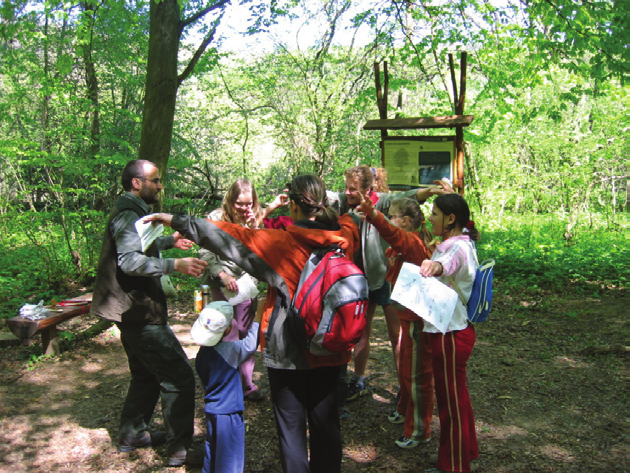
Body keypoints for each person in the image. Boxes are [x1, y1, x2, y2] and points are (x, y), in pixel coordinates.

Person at [145, 174, 361, 473]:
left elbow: (224, 234)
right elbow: (350, 214)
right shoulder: (346, 236)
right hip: (332, 346)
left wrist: (174, 220)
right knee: (326, 424)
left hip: (290, 352)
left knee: (292, 430)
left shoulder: (282, 243)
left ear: (295, 207)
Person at [91, 159, 208, 467]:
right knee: (180, 377)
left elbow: (139, 246)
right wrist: (175, 264)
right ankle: (179, 449)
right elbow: (129, 261)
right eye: (155, 180)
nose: (160, 185)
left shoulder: (133, 211)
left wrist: (170, 241)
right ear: (136, 183)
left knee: (145, 374)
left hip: (131, 311)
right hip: (138, 313)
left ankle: (133, 434)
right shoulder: (128, 213)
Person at [327, 165, 448, 400]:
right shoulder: (344, 202)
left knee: (396, 333)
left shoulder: (381, 203)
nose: (348, 192)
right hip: (358, 279)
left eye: (353, 188)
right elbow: (328, 196)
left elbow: (406, 197)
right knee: (360, 331)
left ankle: (404, 385)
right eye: (347, 187)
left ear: (368, 189)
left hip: (385, 276)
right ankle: (359, 379)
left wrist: (431, 191)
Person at [357, 194, 436, 449]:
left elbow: (394, 235)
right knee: (405, 367)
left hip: (416, 319)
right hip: (406, 316)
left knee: (417, 375)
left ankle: (419, 430)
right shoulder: (407, 244)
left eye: (393, 216)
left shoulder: (412, 242)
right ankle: (404, 410)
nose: (390, 220)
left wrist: (373, 214)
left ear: (405, 220)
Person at [199, 179, 286, 402]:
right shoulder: (216, 217)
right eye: (240, 203)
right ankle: (225, 382)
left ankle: (247, 385)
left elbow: (263, 247)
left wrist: (256, 228)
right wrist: (222, 274)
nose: (245, 208)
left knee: (247, 333)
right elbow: (205, 252)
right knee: (227, 333)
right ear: (230, 200)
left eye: (249, 204)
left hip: (246, 284)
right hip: (222, 284)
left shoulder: (253, 218)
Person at [420, 193, 480, 473]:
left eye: (434, 213)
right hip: (451, 331)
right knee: (458, 398)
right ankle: (466, 452)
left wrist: (436, 266)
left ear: (450, 219)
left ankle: (454, 467)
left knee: (450, 404)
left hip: (451, 335)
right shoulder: (455, 243)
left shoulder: (457, 249)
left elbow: (449, 264)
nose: (429, 218)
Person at [191, 300, 261, 473]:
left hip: (212, 409)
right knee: (229, 455)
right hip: (229, 412)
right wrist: (258, 317)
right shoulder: (230, 351)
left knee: (212, 448)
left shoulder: (201, 355)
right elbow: (250, 345)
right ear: (228, 329)